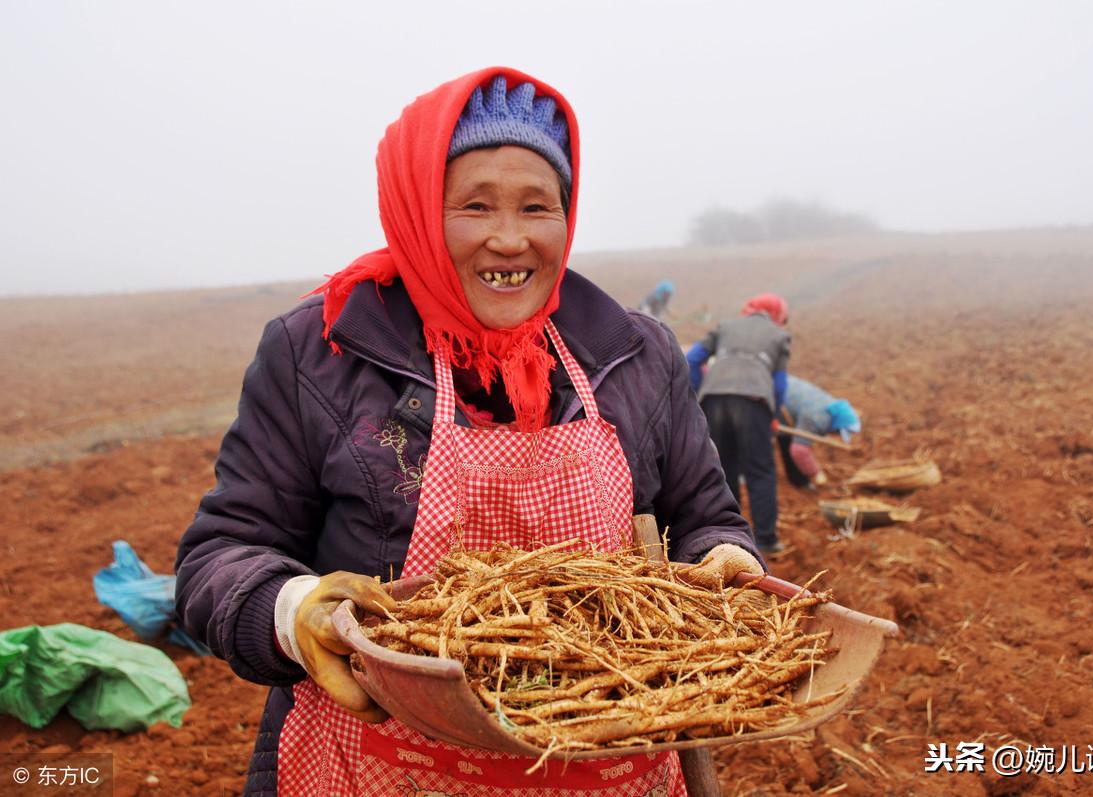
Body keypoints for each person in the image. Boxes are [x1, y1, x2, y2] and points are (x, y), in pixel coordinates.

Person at [174, 67, 765, 797]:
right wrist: (295, 613)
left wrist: (729, 561)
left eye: (537, 207)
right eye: (475, 205)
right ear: (422, 210)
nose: (510, 239)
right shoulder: (320, 351)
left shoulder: (632, 354)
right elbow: (222, 554)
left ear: (567, 215)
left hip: (605, 766)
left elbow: (706, 517)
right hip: (380, 771)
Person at [686, 294, 791, 555]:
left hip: (713, 401)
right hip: (754, 403)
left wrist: (697, 394)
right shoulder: (778, 336)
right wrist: (773, 414)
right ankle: (766, 540)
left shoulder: (725, 327)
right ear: (776, 314)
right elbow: (779, 384)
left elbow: (691, 359)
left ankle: (731, 539)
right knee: (760, 471)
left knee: (722, 470)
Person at [777, 375, 862, 489]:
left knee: (789, 437)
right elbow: (799, 450)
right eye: (838, 432)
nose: (836, 435)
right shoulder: (817, 418)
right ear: (837, 426)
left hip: (784, 393)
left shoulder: (831, 407)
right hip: (773, 396)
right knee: (783, 441)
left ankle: (798, 480)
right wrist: (815, 473)